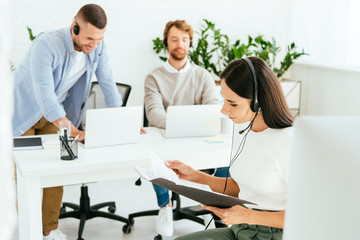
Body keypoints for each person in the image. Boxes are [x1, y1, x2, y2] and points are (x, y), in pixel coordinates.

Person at [12, 4, 123, 240]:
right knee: (21, 173)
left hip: (55, 114)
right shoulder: (46, 45)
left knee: (57, 167)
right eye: (89, 38)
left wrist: (121, 118)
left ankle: (48, 229)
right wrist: (72, 130)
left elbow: (107, 80)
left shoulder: (97, 47)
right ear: (74, 26)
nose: (94, 45)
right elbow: (44, 94)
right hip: (23, 113)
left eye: (99, 39)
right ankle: (23, 230)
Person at [167, 57, 294, 240]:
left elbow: (309, 215)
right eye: (224, 100)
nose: (223, 110)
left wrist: (249, 215)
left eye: (232, 103)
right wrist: (194, 175)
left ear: (258, 101)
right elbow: (239, 187)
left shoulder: (287, 141)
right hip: (243, 229)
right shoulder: (243, 129)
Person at [144, 19, 228, 237]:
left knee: (225, 156)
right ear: (166, 44)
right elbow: (154, 114)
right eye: (174, 39)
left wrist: (182, 121)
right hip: (166, 140)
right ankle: (165, 206)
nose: (179, 44)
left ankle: (221, 212)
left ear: (190, 43)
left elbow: (213, 109)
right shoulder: (154, 77)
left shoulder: (203, 75)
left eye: (184, 39)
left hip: (198, 140)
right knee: (156, 157)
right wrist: (190, 120)